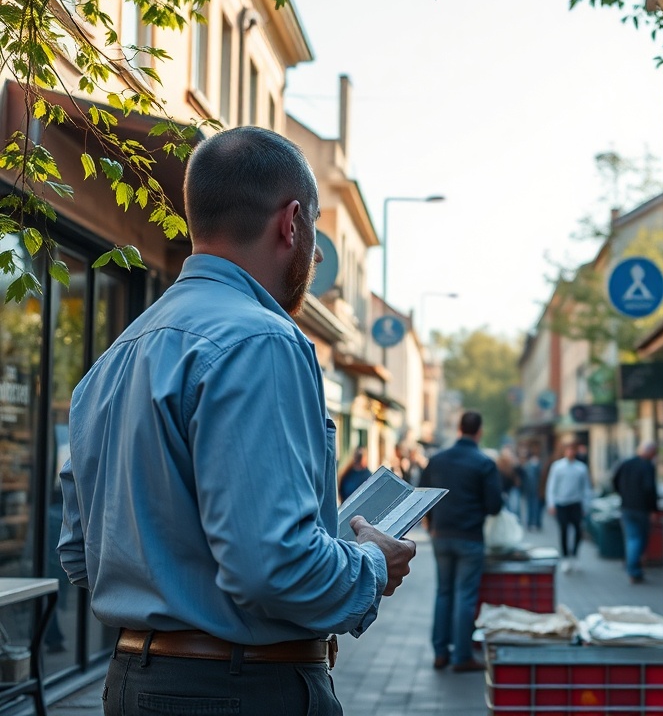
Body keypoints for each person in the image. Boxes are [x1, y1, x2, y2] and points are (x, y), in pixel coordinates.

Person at [57, 126, 416, 716]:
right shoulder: (262, 340)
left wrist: (169, 587)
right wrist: (372, 563)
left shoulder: (115, 357)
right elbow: (274, 566)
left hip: (133, 684)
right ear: (292, 223)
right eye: (317, 232)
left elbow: (80, 552)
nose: (315, 254)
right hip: (240, 690)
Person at [419, 410, 503, 673]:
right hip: (470, 538)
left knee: (443, 592)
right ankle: (462, 656)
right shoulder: (484, 463)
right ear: (479, 431)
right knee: (464, 597)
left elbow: (421, 495)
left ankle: (440, 652)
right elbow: (494, 506)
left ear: (458, 429)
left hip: (440, 536)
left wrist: (431, 525)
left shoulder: (437, 459)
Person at [613, 440, 659, 584]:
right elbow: (649, 489)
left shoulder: (626, 463)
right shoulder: (647, 466)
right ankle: (633, 569)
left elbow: (614, 481)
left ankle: (633, 567)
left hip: (626, 506)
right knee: (638, 539)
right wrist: (653, 509)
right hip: (641, 509)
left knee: (631, 538)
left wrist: (623, 494)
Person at [546, 440, 591, 574]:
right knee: (564, 530)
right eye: (568, 449)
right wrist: (551, 503)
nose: (571, 452)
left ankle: (575, 555)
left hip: (576, 503)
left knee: (578, 531)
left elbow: (586, 488)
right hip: (561, 503)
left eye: (573, 450)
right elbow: (551, 486)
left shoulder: (581, 468)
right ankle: (565, 558)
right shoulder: (557, 467)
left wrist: (586, 504)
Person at [520, 446, 543, 531]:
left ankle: (534, 523)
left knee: (534, 507)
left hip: (534, 489)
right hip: (531, 489)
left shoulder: (533, 465)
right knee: (532, 506)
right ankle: (532, 523)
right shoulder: (529, 465)